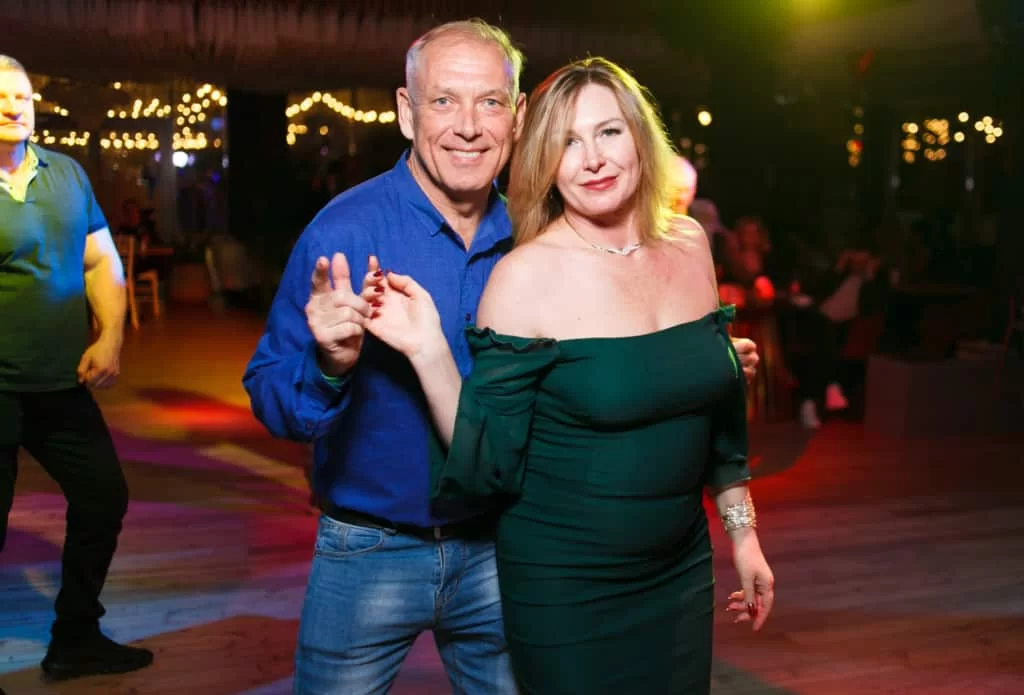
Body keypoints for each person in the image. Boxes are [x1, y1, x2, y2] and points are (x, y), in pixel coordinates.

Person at [243, 21, 759, 694]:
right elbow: (272, 397)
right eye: (443, 101)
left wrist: (690, 364)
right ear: (406, 111)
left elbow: (615, 355)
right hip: (372, 551)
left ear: (516, 118)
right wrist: (330, 365)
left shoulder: (544, 228)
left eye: (488, 101)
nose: (468, 126)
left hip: (505, 548)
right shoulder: (344, 232)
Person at [0, 55, 153, 680]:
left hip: (60, 384)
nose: (13, 105)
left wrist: (111, 335)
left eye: (22, 95)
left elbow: (100, 261)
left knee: (102, 497)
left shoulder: (65, 173)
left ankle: (76, 638)